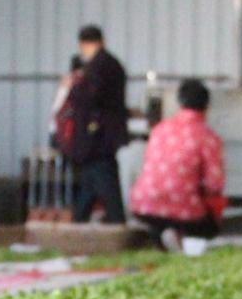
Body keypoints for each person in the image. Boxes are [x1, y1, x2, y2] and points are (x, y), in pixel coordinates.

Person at [130, 79, 227, 253]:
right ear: (207, 106)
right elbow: (214, 184)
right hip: (185, 212)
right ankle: (181, 237)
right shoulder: (207, 137)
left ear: (179, 102)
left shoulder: (159, 129)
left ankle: (162, 237)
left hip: (144, 204)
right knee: (208, 221)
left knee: (160, 217)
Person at [61, 25, 130, 223]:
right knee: (90, 181)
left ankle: (116, 222)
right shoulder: (111, 64)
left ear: (83, 44)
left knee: (103, 178)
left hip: (97, 137)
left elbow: (89, 97)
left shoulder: (98, 66)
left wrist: (72, 87)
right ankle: (79, 220)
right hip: (103, 135)